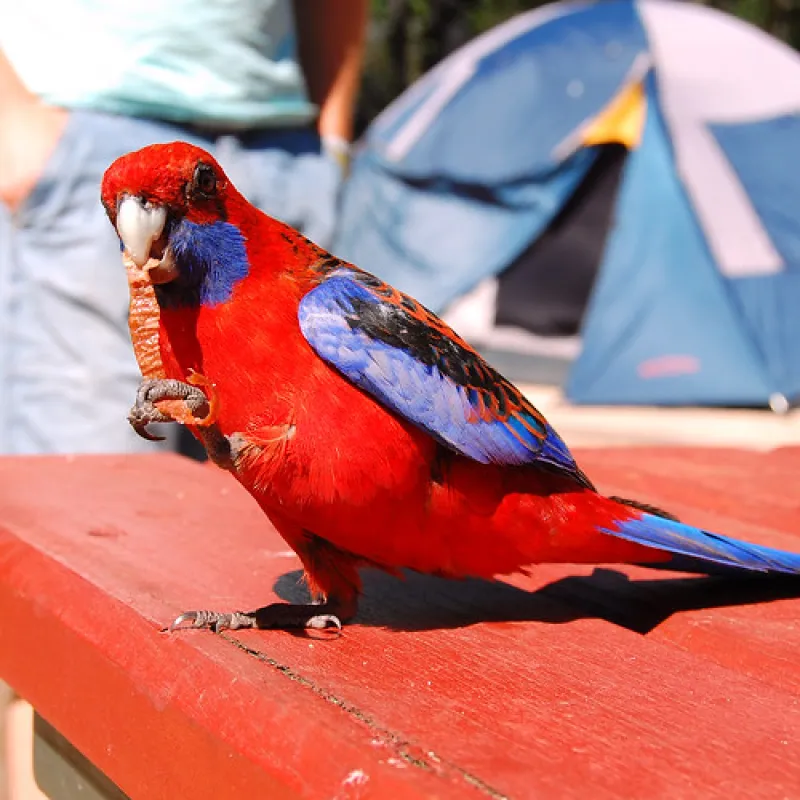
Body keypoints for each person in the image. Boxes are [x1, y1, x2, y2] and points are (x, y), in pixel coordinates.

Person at [0, 0, 368, 454]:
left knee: (268, 499)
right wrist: (14, 131)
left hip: (283, 151)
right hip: (81, 132)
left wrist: (332, 137)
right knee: (100, 501)